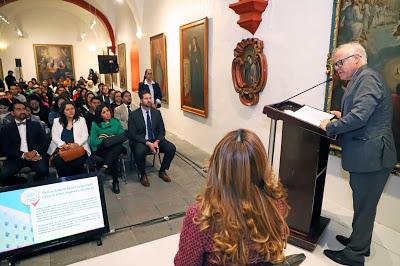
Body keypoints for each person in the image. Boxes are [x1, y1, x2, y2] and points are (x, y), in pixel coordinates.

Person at [174, 129, 307, 266]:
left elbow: (184, 263)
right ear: (261, 167)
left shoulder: (201, 217)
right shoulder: (275, 202)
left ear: (216, 167)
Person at [320, 42, 397, 266]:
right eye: (335, 65)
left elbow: (360, 116)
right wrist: (341, 114)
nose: (337, 68)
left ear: (357, 59)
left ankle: (354, 255)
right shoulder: (362, 78)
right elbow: (362, 112)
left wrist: (330, 126)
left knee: (364, 207)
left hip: (371, 156)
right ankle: (358, 242)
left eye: (340, 63)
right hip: (368, 155)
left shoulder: (367, 78)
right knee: (364, 205)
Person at [128, 90, 175, 187]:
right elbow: (132, 134)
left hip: (155, 140)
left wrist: (157, 141)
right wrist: (148, 143)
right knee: (139, 152)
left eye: (150, 98)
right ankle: (143, 174)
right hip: (142, 141)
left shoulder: (156, 113)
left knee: (171, 148)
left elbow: (162, 131)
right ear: (141, 100)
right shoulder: (133, 115)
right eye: (146, 98)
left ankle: (162, 171)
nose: (149, 100)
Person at [0, 102, 49, 186]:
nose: (22, 111)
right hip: (16, 157)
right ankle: (21, 182)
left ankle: (35, 185)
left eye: (23, 109)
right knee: (4, 175)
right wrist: (24, 155)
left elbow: (44, 142)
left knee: (43, 170)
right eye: (18, 109)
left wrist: (34, 152)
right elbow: (6, 147)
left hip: (34, 155)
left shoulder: (36, 125)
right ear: (12, 113)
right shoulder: (6, 129)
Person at [90, 104, 125, 194]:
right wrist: (103, 139)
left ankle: (105, 167)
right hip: (102, 148)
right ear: (100, 115)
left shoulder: (115, 122)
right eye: (104, 112)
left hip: (115, 147)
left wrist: (112, 139)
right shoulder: (95, 124)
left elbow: (122, 135)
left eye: (108, 111)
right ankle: (115, 182)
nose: (107, 113)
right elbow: (93, 141)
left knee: (114, 149)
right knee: (113, 150)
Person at [48, 102, 90, 177]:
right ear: (63, 111)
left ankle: (74, 181)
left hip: (78, 148)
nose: (71, 111)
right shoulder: (57, 121)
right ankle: (64, 181)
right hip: (62, 149)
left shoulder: (81, 120)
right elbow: (54, 137)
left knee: (76, 161)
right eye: (67, 109)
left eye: (72, 109)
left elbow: (85, 136)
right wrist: (63, 145)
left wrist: (76, 144)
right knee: (59, 161)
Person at [188, 37, 204, 109]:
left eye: (194, 41)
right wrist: (189, 50)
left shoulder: (198, 49)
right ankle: (195, 97)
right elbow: (191, 59)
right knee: (194, 82)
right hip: (194, 68)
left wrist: (197, 60)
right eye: (193, 41)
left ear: (196, 42)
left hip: (197, 69)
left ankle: (198, 96)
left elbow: (199, 60)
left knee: (197, 81)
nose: (194, 42)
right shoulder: (192, 50)